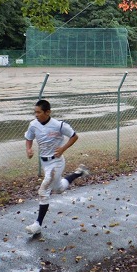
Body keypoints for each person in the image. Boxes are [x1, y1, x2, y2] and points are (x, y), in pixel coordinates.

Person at [24, 99, 89, 235]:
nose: (36, 115)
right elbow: (29, 138)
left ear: (48, 112)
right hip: (45, 163)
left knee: (44, 190)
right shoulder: (33, 125)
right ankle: (79, 172)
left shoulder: (59, 125)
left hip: (56, 162)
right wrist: (28, 149)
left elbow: (74, 136)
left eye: (39, 112)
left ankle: (37, 224)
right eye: (35, 112)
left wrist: (63, 148)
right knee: (59, 188)